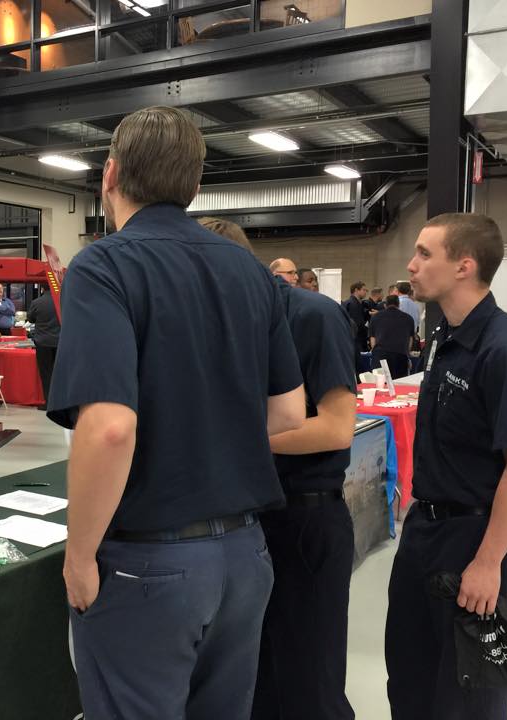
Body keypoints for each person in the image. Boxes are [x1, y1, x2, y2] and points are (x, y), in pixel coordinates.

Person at [47, 106, 305, 720]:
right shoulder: (249, 270)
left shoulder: (104, 266)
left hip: (149, 565)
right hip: (244, 557)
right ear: (193, 184)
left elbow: (110, 428)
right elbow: (289, 411)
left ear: (109, 175)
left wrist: (79, 557)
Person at [385, 213, 507, 720]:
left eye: (424, 254)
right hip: (427, 532)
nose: (411, 266)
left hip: (479, 538)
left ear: (464, 266)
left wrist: (487, 563)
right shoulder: (444, 337)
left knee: (470, 694)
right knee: (411, 674)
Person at [208, 222, 358, 720]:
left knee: (309, 679)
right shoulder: (229, 316)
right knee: (256, 675)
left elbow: (337, 428)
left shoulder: (314, 316)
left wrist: (233, 442)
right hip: (247, 522)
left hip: (305, 521)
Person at [27, 288, 61, 409]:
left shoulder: (37, 302)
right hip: (59, 341)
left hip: (43, 342)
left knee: (46, 373)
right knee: (59, 373)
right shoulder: (62, 300)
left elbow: (30, 318)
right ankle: (60, 402)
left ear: (42, 289)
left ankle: (48, 402)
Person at [369, 294, 416, 379]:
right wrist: (407, 354)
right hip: (400, 356)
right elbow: (410, 340)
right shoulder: (408, 318)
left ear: (385, 305)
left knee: (381, 383)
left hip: (380, 355)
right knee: (399, 383)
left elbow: (373, 340)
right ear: (398, 305)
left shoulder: (376, 317)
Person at [342, 281, 370, 353]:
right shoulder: (354, 304)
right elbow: (358, 324)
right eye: (363, 290)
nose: (365, 292)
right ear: (356, 290)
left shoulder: (348, 302)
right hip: (356, 340)